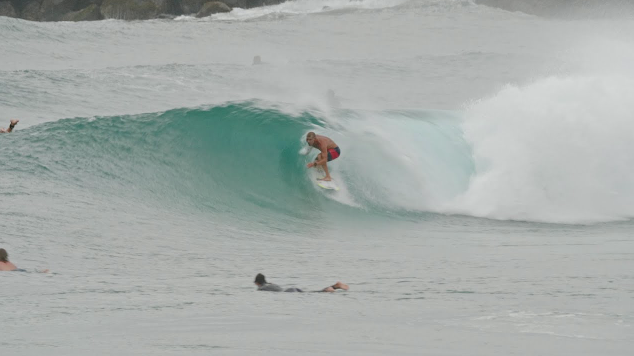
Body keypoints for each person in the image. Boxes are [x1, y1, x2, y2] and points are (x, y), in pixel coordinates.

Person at [254, 273, 349, 293]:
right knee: (313, 292)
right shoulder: (271, 284)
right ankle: (335, 286)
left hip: (289, 292)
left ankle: (330, 289)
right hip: (291, 289)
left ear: (257, 282)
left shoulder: (261, 288)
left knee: (314, 293)